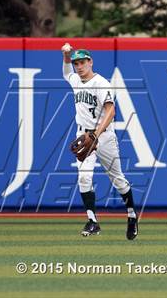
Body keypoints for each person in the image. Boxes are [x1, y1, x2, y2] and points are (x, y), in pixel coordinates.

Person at [61, 43, 138, 240]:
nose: (79, 66)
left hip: (104, 137)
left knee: (118, 179)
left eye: (83, 62)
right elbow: (66, 72)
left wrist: (96, 133)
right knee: (84, 178)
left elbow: (111, 111)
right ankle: (93, 221)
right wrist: (66, 55)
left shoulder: (101, 83)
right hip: (84, 138)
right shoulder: (76, 81)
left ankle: (131, 215)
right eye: (76, 63)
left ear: (90, 62)